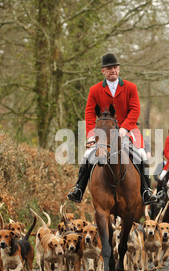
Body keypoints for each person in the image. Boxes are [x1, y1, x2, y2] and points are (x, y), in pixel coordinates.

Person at [67, 52, 157, 205]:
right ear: (103, 71)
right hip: (103, 132)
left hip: (128, 130)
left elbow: (135, 110)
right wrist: (90, 135)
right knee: (88, 155)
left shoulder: (130, 87)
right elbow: (89, 114)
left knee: (141, 154)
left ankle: (146, 191)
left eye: (115, 67)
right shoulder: (94, 90)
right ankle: (79, 189)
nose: (113, 70)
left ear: (119, 69)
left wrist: (125, 128)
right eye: (109, 68)